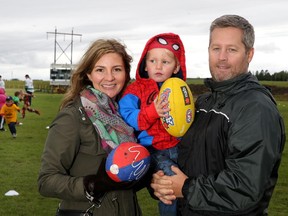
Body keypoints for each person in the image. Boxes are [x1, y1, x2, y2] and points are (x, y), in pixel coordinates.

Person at [151, 14, 286, 216]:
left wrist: (186, 188)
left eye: (231, 49)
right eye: (216, 48)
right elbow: (183, 160)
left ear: (249, 54)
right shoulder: (204, 103)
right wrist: (162, 180)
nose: (222, 57)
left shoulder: (256, 108)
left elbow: (245, 188)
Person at [38, 39, 149, 216]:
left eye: (117, 69)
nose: (110, 77)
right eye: (100, 70)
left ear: (126, 74)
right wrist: (92, 185)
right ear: (88, 74)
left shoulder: (126, 116)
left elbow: (127, 180)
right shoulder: (72, 116)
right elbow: (46, 181)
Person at [119, 32, 187, 216]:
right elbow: (127, 116)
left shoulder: (178, 88)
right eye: (153, 61)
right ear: (144, 64)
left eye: (165, 62)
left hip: (180, 146)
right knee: (169, 184)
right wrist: (152, 112)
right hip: (153, 148)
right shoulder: (136, 89)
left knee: (191, 181)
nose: (158, 66)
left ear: (176, 67)